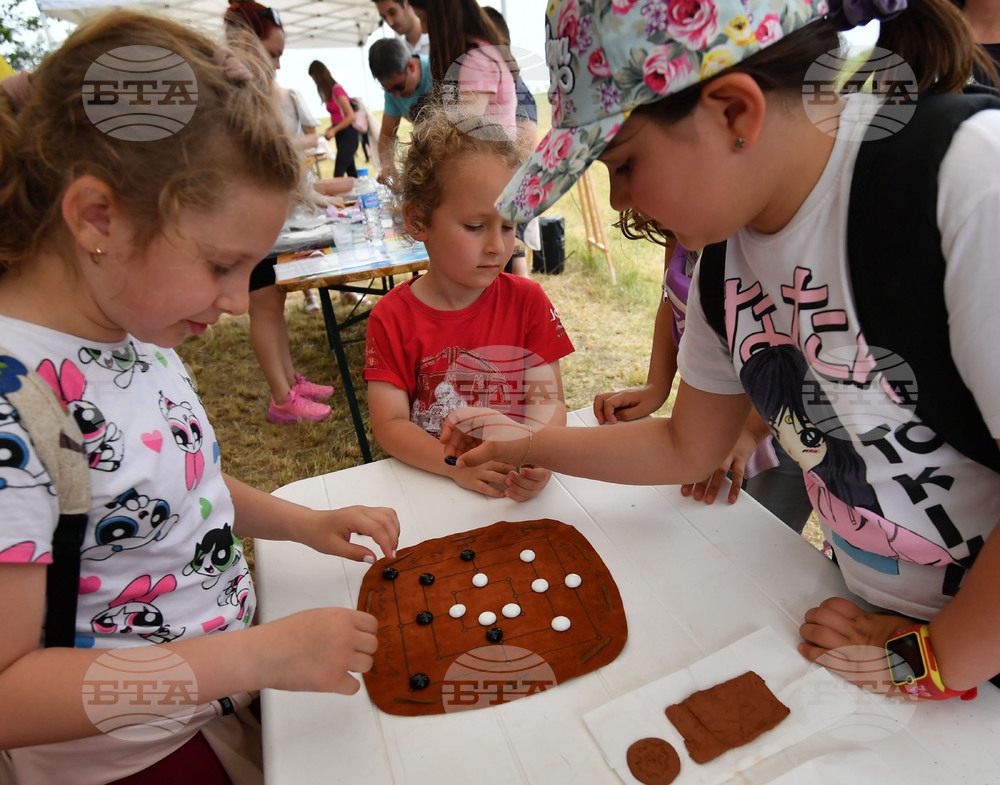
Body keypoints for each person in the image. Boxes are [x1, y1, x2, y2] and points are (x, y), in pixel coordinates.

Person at [441, 0, 1000, 699]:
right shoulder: (723, 264)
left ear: (734, 111)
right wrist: (526, 444)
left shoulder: (966, 180)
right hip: (883, 620)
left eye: (624, 163)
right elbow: (687, 444)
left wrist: (929, 656)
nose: (618, 203)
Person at [0, 11, 400, 783]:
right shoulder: (20, 405)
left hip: (216, 701)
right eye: (222, 265)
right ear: (97, 217)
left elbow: (176, 490)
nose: (231, 300)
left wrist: (301, 522)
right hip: (129, 758)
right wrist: (252, 653)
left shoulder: (133, 325)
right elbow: (9, 695)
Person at [363, 106, 574, 502]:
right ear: (419, 220)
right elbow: (390, 423)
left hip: (512, 491)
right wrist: (455, 467)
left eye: (509, 226)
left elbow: (548, 401)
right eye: (476, 227)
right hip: (433, 490)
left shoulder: (527, 301)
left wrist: (538, 454)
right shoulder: (391, 317)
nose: (497, 246)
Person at [593, 214, 813, 533]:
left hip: (787, 422)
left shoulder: (765, 242)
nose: (616, 199)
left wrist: (750, 431)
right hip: (715, 411)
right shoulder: (684, 225)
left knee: (764, 536)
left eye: (626, 167)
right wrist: (657, 385)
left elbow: (799, 353)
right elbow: (669, 297)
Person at [225, 3, 338, 424]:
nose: (277, 64)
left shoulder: (253, 93)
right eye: (272, 54)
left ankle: (290, 381)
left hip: (269, 219)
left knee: (274, 303)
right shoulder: (233, 97)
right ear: (243, 45)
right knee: (265, 307)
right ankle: (281, 399)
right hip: (247, 221)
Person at [409, 0, 519, 141]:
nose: (423, 29)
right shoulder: (483, 50)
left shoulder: (477, 62)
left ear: (444, 17)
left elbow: (464, 137)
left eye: (424, 19)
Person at [368, 37, 432, 184]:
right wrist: (387, 164)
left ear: (411, 66)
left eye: (399, 87)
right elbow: (386, 136)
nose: (396, 95)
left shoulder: (435, 69)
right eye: (388, 90)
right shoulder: (392, 92)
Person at [307, 60, 358, 179]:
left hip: (348, 135)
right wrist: (331, 128)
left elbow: (350, 116)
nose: (315, 82)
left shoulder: (337, 90)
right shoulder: (330, 93)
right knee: (352, 174)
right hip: (341, 136)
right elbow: (339, 117)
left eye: (314, 79)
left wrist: (334, 130)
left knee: (338, 173)